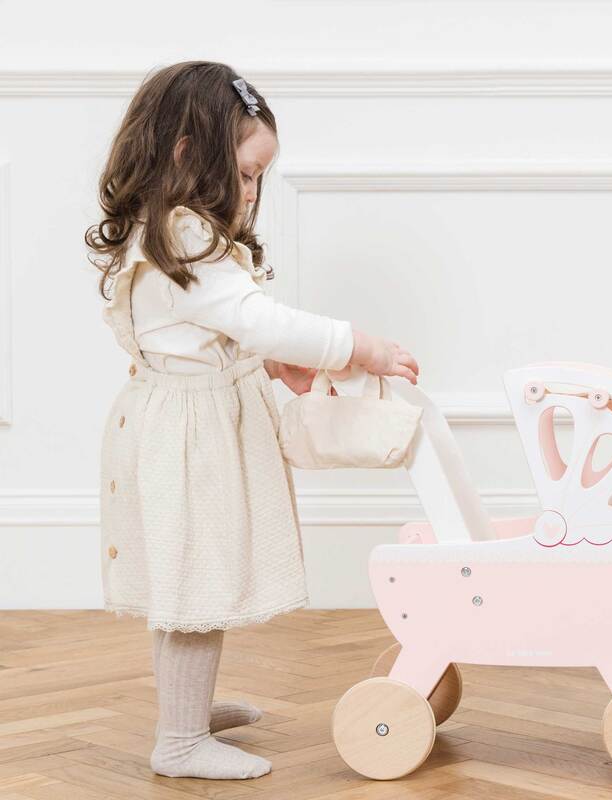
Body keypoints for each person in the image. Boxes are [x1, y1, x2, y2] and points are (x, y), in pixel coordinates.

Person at [85, 60, 419, 781]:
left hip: (174, 423)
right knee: (194, 585)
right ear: (187, 154)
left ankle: (185, 710)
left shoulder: (165, 231)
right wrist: (357, 347)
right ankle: (179, 743)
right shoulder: (184, 238)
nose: (252, 192)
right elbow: (256, 318)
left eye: (260, 177)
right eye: (245, 173)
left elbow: (196, 337)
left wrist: (264, 365)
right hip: (187, 439)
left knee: (186, 579)